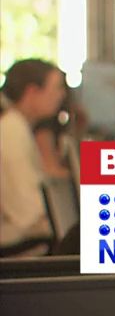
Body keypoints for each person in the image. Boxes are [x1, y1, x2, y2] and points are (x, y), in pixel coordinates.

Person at [0, 58, 66, 254]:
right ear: (32, 92)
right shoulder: (12, 133)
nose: (62, 95)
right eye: (56, 88)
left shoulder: (17, 126)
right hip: (22, 249)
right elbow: (29, 214)